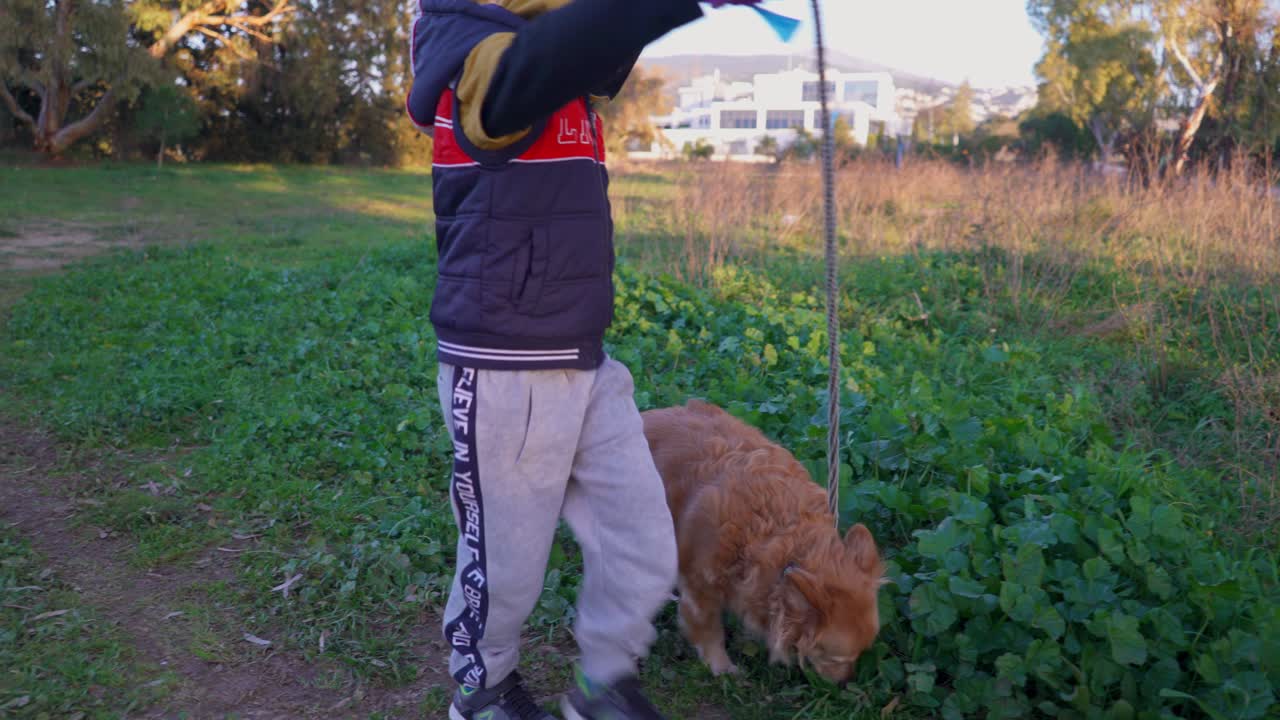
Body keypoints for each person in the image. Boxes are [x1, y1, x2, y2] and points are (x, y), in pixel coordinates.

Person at [406, 0, 758, 717]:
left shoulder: (551, 65)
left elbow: (600, 45)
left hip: (585, 359)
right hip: (503, 365)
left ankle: (603, 684)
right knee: (504, 564)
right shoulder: (478, 68)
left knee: (643, 540)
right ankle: (485, 689)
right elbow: (562, 49)